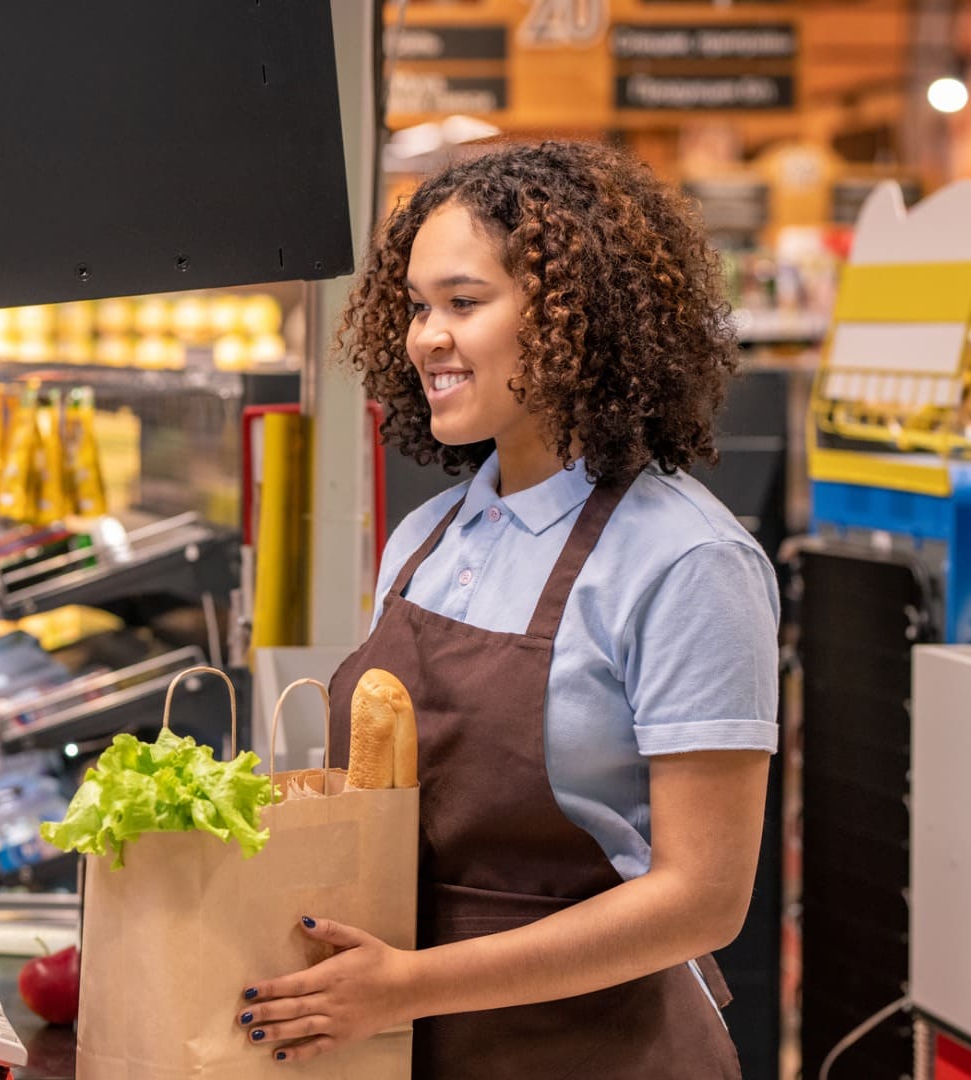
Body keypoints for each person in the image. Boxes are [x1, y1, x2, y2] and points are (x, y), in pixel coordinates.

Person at [238, 141, 777, 1077]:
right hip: (406, 1043)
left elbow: (703, 899)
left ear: (575, 315)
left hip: (603, 1050)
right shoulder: (426, 538)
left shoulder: (689, 559)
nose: (423, 339)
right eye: (413, 307)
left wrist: (409, 984)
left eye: (463, 303)